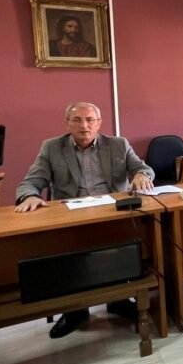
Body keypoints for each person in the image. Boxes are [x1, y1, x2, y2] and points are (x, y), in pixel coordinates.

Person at [15, 102, 155, 338]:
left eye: (90, 120)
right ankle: (74, 312)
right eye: (77, 120)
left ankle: (119, 301)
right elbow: (31, 181)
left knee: (121, 249)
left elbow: (143, 168)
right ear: (67, 124)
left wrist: (142, 175)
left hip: (111, 213)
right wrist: (29, 195)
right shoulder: (52, 147)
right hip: (70, 215)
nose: (84, 125)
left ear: (99, 123)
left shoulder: (118, 144)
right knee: (71, 257)